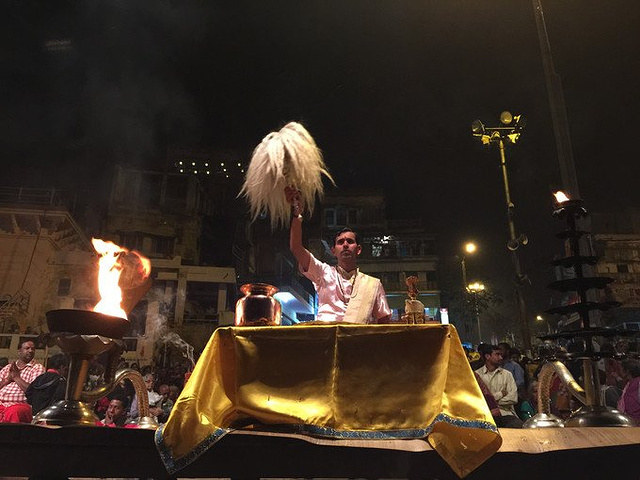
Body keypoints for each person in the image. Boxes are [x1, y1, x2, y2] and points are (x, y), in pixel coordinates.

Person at [285, 186, 391, 324]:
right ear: (333, 251)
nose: (345, 244)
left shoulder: (373, 284)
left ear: (358, 250)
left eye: (350, 241)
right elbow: (296, 247)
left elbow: (384, 320)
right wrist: (296, 215)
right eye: (340, 242)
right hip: (325, 335)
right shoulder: (322, 272)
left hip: (358, 337)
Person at [475, 344, 523, 428]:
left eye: (501, 355)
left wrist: (492, 403)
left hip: (505, 413)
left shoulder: (507, 374)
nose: (501, 358)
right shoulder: (477, 375)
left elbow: (513, 398)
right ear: (487, 356)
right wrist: (500, 394)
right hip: (484, 414)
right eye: (497, 354)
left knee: (517, 425)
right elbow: (477, 399)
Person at [0, 339, 45, 423]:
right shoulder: (8, 368)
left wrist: (17, 378)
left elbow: (34, 392)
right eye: (27, 348)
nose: (30, 351)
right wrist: (7, 380)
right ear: (19, 351)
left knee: (14, 412)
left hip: (21, 405)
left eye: (33, 349)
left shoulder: (37, 368)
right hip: (1, 404)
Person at [617, 359, 640, 424]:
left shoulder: (638, 383)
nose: (619, 371)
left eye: (621, 369)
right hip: (629, 422)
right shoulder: (628, 384)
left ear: (627, 371)